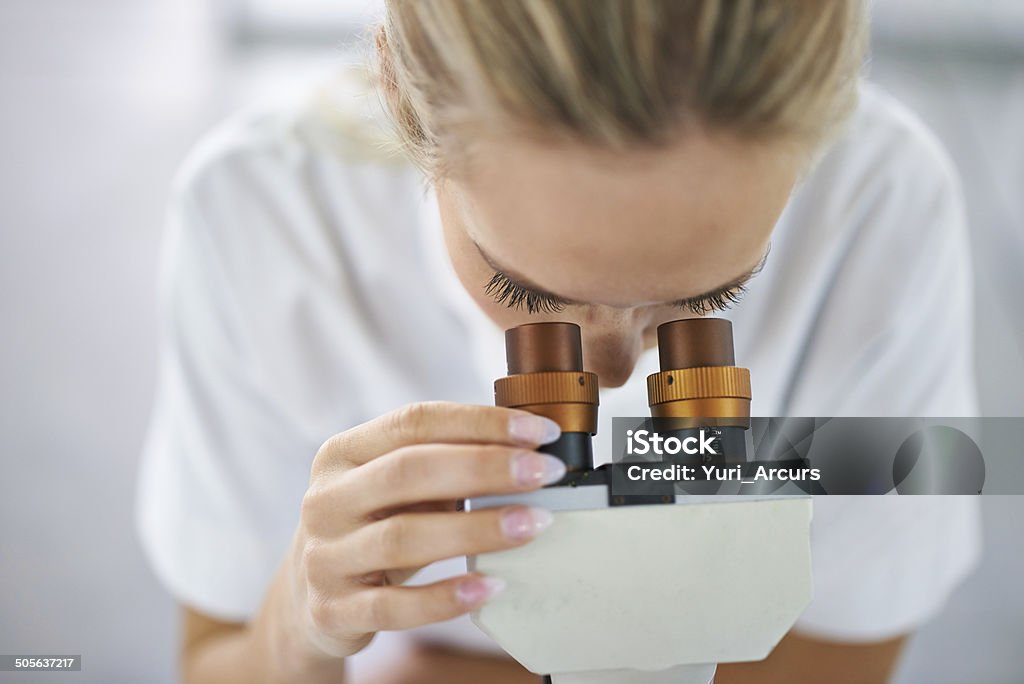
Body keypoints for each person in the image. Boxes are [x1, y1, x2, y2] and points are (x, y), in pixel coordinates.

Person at [136, 1, 982, 682]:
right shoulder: (258, 218)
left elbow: (842, 649)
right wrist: (305, 623)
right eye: (528, 295)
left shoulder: (880, 208)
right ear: (399, 89)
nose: (617, 371)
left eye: (713, 298)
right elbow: (217, 660)